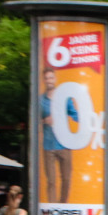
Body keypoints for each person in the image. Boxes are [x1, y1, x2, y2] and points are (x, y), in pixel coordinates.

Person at [40, 67, 77, 204]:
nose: (49, 81)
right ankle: (51, 208)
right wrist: (44, 120)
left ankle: (63, 205)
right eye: (47, 78)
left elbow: (76, 115)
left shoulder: (64, 98)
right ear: (44, 80)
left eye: (51, 78)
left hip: (64, 143)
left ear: (55, 79)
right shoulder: (40, 100)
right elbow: (35, 121)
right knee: (50, 180)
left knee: (66, 178)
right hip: (48, 145)